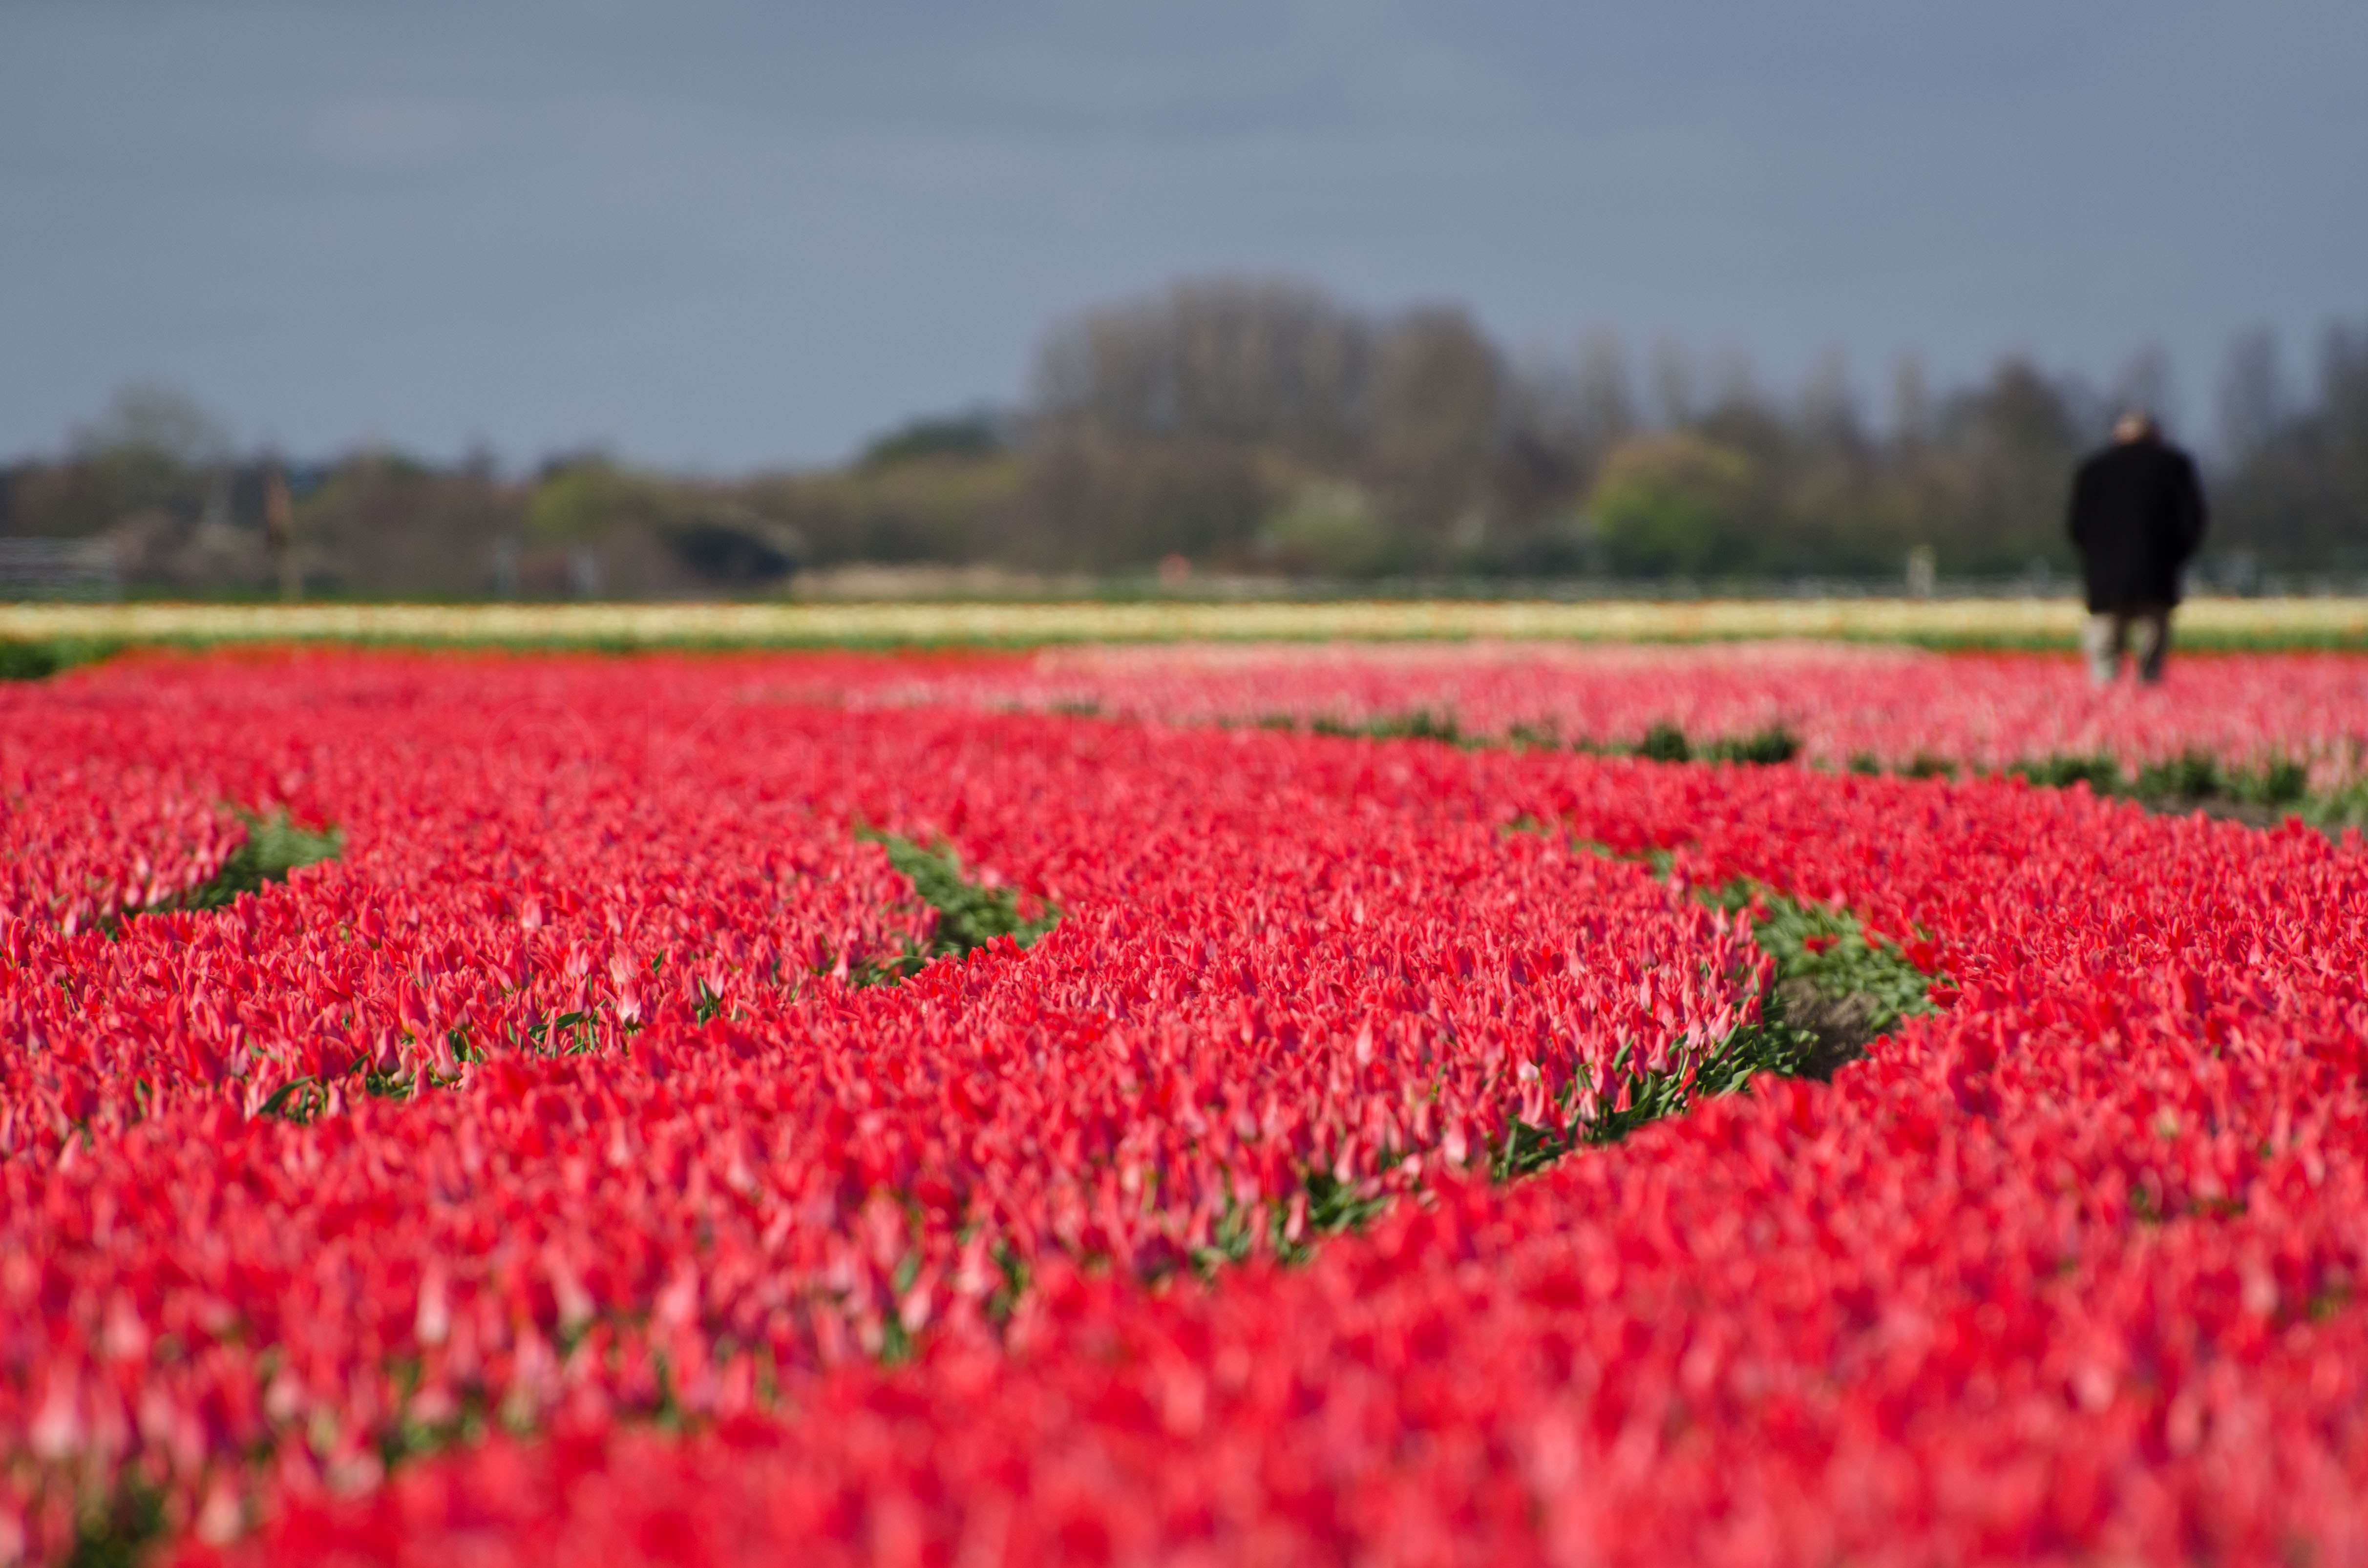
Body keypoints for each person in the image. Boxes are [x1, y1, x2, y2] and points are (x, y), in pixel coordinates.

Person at [2067, 411, 2207, 684]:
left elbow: (2076, 526)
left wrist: (2095, 558)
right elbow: (2192, 521)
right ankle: (2149, 705)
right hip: (2156, 575)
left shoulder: (2094, 470)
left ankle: (2105, 709)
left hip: (2105, 579)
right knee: (2151, 656)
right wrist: (2174, 557)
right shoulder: (2174, 467)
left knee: (2105, 652)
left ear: (2119, 436)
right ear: (2155, 435)